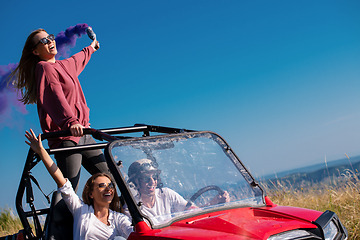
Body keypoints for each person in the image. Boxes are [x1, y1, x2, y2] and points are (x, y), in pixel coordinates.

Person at [11, 28, 110, 192]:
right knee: (69, 188)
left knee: (108, 179)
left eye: (50, 37)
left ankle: (107, 216)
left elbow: (78, 58)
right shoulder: (44, 68)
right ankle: (60, 218)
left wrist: (92, 47)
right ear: (35, 51)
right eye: (43, 41)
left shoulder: (65, 65)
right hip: (66, 137)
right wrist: (70, 121)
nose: (50, 41)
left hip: (83, 132)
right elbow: (54, 95)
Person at [25, 129, 133, 240]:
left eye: (110, 186)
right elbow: (61, 181)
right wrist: (41, 152)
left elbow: (132, 232)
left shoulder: (119, 218)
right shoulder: (80, 209)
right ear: (91, 194)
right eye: (102, 185)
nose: (108, 189)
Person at [126, 159, 230, 224]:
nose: (152, 181)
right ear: (135, 182)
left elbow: (191, 212)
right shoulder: (131, 208)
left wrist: (213, 203)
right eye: (146, 178)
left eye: (155, 177)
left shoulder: (166, 193)